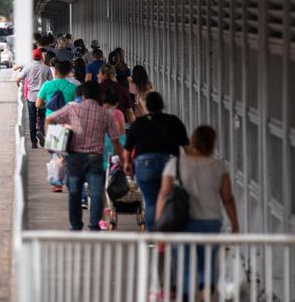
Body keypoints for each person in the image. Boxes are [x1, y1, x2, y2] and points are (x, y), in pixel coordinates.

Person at [156, 125, 239, 302]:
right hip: (210, 223)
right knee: (207, 266)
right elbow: (227, 199)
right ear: (212, 143)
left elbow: (164, 195)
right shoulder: (218, 167)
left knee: (184, 269)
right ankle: (204, 301)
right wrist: (235, 225)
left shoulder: (175, 165)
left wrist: (159, 226)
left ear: (192, 140)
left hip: (181, 224)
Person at [45, 81, 124, 231]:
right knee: (95, 194)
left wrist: (53, 141)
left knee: (74, 193)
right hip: (95, 158)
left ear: (84, 94)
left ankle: (75, 226)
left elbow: (50, 119)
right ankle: (94, 226)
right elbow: (116, 140)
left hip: (74, 158)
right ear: (99, 96)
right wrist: (124, 160)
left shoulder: (72, 108)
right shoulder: (105, 114)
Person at [123, 92, 189, 230]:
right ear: (162, 105)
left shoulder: (139, 123)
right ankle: (167, 229)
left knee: (151, 201)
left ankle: (153, 234)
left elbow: (127, 150)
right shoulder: (173, 121)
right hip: (169, 164)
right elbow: (187, 147)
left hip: (144, 164)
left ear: (146, 106)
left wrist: (127, 164)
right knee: (168, 199)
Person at [18, 48, 52, 148]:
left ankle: (33, 142)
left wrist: (18, 81)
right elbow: (50, 81)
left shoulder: (28, 66)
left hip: (31, 97)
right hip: (42, 97)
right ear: (41, 57)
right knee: (42, 117)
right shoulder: (46, 68)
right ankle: (41, 132)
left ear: (32, 57)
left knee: (32, 118)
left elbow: (20, 77)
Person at [102, 85, 126, 170]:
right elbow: (122, 135)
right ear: (116, 102)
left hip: (98, 150)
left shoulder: (97, 111)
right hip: (114, 150)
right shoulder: (117, 114)